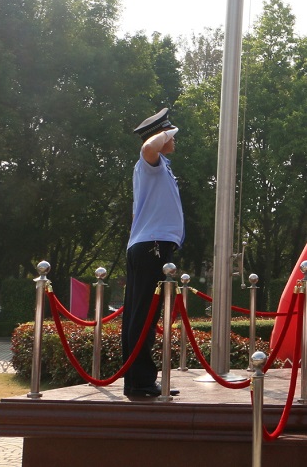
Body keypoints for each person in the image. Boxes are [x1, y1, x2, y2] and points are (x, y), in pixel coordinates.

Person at [123, 108, 185, 398]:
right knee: (144, 317)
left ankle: (137, 380)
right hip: (153, 247)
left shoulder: (159, 166)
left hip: (149, 245)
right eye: (170, 134)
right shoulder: (150, 161)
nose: (174, 139)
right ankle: (141, 382)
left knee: (139, 316)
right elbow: (149, 146)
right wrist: (165, 132)